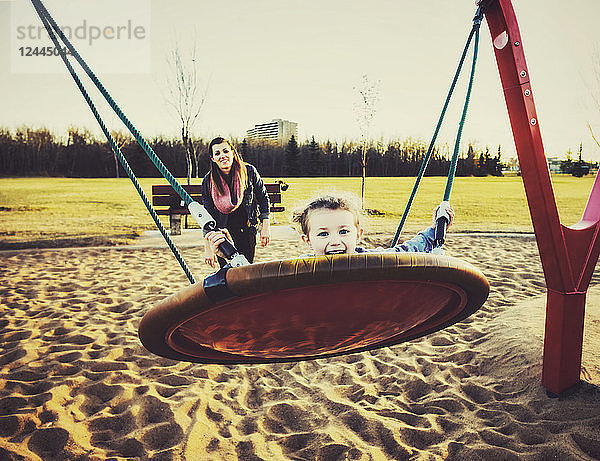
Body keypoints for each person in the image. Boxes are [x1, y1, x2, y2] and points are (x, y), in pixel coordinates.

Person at [206, 190, 454, 259]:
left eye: (344, 231)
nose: (335, 240)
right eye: (323, 233)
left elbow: (409, 250)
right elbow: (254, 281)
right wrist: (230, 254)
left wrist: (437, 230)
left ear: (358, 234)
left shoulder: (371, 259)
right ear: (307, 239)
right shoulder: (298, 268)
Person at [202, 136, 271, 268]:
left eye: (225, 151)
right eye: (217, 153)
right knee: (227, 272)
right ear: (212, 158)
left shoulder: (249, 171)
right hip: (222, 234)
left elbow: (263, 198)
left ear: (232, 152)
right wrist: (208, 247)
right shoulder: (208, 181)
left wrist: (265, 227)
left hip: (247, 229)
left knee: (245, 269)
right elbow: (207, 216)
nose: (222, 156)